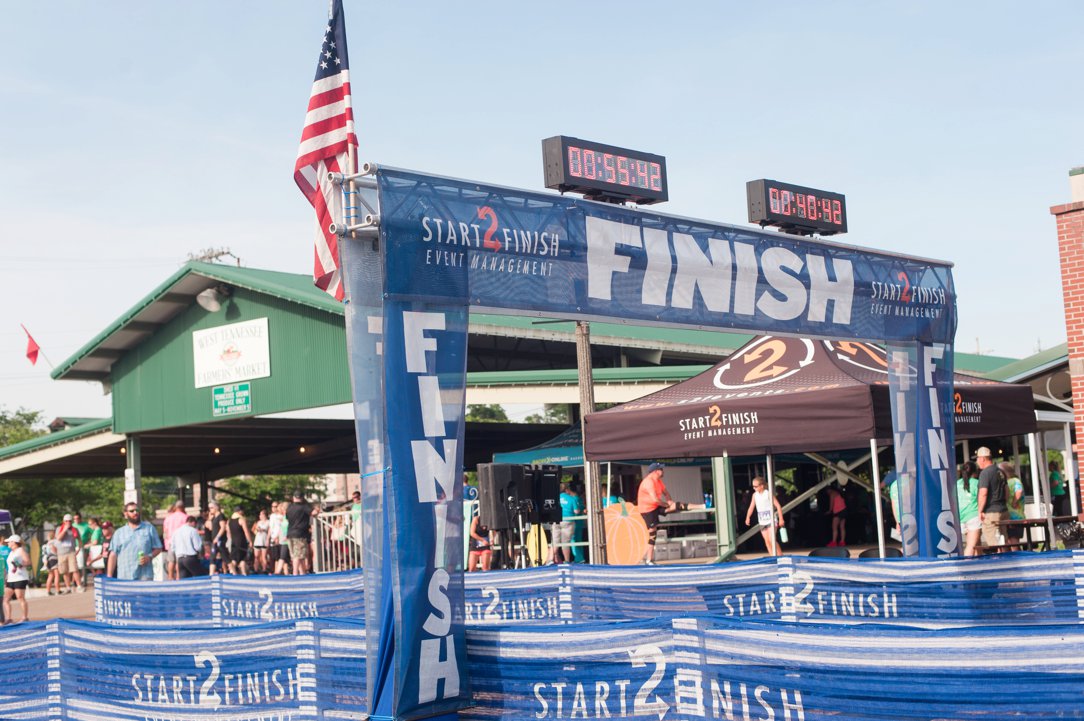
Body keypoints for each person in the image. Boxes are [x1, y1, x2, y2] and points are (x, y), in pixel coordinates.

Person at [107, 502, 163, 581]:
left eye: (137, 510)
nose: (135, 512)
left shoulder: (149, 528)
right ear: (125, 514)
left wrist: (149, 557)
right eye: (132, 511)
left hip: (144, 576)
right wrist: (109, 576)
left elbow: (158, 548)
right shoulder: (119, 533)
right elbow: (113, 555)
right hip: (125, 577)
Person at [637, 463, 678, 565]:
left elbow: (666, 493)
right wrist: (665, 504)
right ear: (656, 471)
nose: (663, 471)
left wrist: (669, 501)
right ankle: (648, 559)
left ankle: (648, 559)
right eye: (661, 469)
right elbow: (655, 499)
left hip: (654, 507)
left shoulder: (658, 481)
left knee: (675, 507)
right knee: (652, 534)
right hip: (647, 510)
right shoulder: (648, 482)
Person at [975, 447, 1007, 550]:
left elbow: (983, 493)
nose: (977, 461)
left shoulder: (985, 473)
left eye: (977, 458)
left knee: (993, 542)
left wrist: (980, 511)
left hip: (991, 512)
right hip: (1004, 510)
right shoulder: (1000, 471)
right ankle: (1008, 561)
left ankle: (999, 562)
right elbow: (1007, 492)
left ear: (983, 459)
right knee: (1005, 541)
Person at [745, 476, 785, 556]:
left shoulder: (768, 493)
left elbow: (778, 505)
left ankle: (780, 556)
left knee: (772, 539)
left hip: (771, 520)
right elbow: (751, 507)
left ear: (762, 486)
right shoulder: (755, 495)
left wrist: (781, 519)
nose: (754, 488)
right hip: (762, 521)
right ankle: (773, 557)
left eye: (755, 486)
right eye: (753, 486)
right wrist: (748, 517)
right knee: (767, 541)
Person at [3, 535, 30, 624]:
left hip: (20, 578)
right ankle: (8, 618)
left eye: (10, 541)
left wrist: (20, 565)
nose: (8, 543)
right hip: (11, 578)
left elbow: (28, 562)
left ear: (14, 542)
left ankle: (25, 617)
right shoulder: (11, 552)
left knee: (20, 597)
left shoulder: (20, 550)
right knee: (6, 599)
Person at [547, 483, 577, 565]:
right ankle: (567, 561)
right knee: (565, 542)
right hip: (568, 521)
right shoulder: (572, 499)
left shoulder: (555, 498)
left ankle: (550, 559)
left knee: (555, 541)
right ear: (567, 489)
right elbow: (576, 511)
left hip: (556, 520)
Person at [956, 461, 981, 556]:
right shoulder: (977, 483)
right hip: (973, 516)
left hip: (961, 518)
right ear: (975, 472)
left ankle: (980, 566)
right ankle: (965, 566)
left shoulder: (957, 484)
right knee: (971, 546)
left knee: (976, 544)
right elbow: (981, 498)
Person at [286, 491, 313, 575]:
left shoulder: (289, 507)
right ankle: (295, 573)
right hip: (300, 534)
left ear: (293, 497)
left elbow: (287, 517)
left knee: (296, 555)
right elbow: (313, 513)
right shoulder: (304, 507)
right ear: (302, 498)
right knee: (298, 555)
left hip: (290, 533)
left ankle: (302, 573)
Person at [54, 513, 82, 593]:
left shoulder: (74, 529)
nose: (68, 523)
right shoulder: (59, 528)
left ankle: (79, 586)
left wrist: (79, 548)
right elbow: (58, 538)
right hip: (61, 553)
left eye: (70, 521)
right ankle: (68, 587)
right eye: (66, 521)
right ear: (64, 521)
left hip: (71, 552)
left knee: (74, 569)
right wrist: (65, 529)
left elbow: (79, 539)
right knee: (64, 571)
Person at [1000, 462, 1026, 550]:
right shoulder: (1008, 481)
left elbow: (1019, 491)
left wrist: (1014, 502)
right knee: (1010, 540)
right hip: (1009, 516)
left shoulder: (1014, 480)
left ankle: (1017, 557)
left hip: (1015, 516)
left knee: (1014, 540)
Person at [162, 500, 188, 581]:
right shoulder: (185, 517)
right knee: (178, 561)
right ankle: (178, 577)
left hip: (170, 542)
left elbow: (165, 532)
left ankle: (170, 577)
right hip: (181, 543)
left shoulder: (168, 518)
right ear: (183, 507)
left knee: (171, 561)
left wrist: (166, 543)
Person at [204, 501, 228, 575]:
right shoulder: (214, 518)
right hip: (214, 540)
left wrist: (217, 537)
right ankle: (211, 574)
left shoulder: (220, 516)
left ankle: (233, 572)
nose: (210, 510)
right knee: (212, 557)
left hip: (219, 540)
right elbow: (211, 528)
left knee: (226, 557)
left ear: (216, 508)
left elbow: (223, 527)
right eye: (209, 508)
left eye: (211, 508)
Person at [227, 508, 252, 576]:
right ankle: (237, 571)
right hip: (241, 541)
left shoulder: (229, 521)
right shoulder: (241, 520)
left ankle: (235, 571)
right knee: (241, 558)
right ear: (240, 511)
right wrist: (250, 541)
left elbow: (228, 533)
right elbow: (246, 531)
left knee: (235, 558)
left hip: (234, 542)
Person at [72, 512, 91, 587]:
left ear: (80, 518)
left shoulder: (86, 526)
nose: (76, 520)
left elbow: (93, 534)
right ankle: (75, 581)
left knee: (82, 565)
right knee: (74, 565)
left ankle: (83, 580)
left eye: (77, 518)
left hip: (82, 547)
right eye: (74, 518)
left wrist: (89, 542)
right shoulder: (72, 526)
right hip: (73, 548)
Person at [252, 509, 270, 574]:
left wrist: (263, 530)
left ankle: (264, 569)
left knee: (263, 556)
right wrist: (256, 530)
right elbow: (254, 530)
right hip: (258, 540)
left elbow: (269, 530)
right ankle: (255, 569)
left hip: (264, 540)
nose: (260, 516)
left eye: (261, 514)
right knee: (256, 556)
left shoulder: (268, 522)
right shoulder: (258, 522)